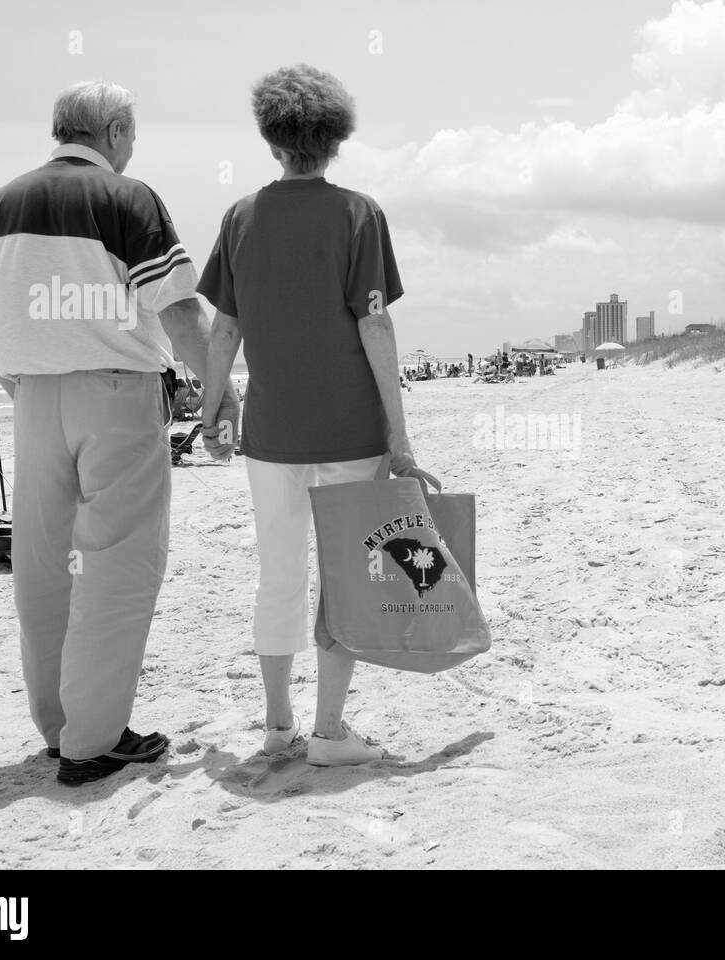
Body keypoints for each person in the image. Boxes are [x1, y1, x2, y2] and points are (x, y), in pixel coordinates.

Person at [0, 80, 239, 785]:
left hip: (38, 401)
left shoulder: (2, 202)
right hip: (115, 394)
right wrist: (221, 396)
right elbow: (179, 313)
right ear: (112, 131)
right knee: (116, 565)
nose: (133, 147)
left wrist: (16, 379)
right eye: (132, 133)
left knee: (46, 566)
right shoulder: (127, 197)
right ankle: (93, 740)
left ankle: (59, 728)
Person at [199, 63, 417, 766]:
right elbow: (375, 329)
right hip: (350, 429)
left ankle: (274, 726)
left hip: (273, 434)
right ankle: (329, 733)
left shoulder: (239, 217)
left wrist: (209, 415)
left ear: (271, 138)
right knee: (346, 579)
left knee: (278, 576)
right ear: (336, 137)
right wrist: (399, 433)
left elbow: (224, 333)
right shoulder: (359, 214)